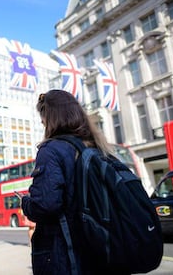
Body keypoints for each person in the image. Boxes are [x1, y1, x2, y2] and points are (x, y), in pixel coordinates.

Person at [19, 89, 112, 274]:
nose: (41, 121)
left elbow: (46, 205)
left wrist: (26, 202)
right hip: (101, 249)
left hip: (66, 254)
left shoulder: (51, 150)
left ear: (52, 117)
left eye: (43, 116)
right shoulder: (98, 148)